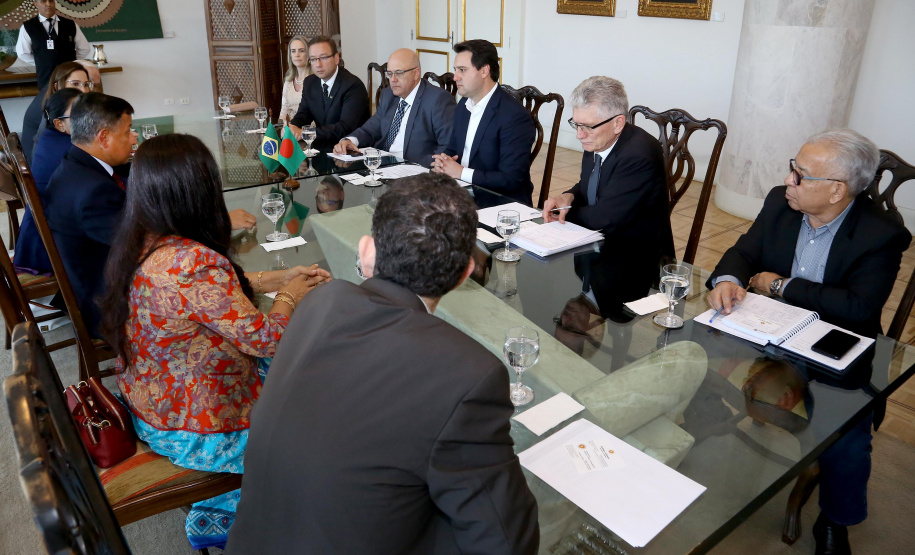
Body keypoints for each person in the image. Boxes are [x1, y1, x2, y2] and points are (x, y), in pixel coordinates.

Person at [227, 173, 540, 554]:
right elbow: (507, 541)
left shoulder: (318, 303)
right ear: (463, 276)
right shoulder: (471, 374)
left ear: (366, 251)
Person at [100, 134, 330, 551]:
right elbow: (267, 339)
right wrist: (291, 295)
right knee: (315, 394)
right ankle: (237, 511)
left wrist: (273, 279)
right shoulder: (194, 262)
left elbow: (203, 303)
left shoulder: (143, 238)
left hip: (152, 401)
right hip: (196, 430)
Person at [706, 129, 911, 555]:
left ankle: (835, 521)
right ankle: (702, 425)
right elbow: (745, 251)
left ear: (836, 190)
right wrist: (727, 277)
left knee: (848, 438)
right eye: (792, 169)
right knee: (688, 348)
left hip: (837, 352)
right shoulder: (780, 205)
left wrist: (781, 286)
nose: (789, 182)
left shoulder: (882, 233)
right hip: (770, 332)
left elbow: (857, 308)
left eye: (801, 175)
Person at [542, 76, 674, 267]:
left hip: (634, 262)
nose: (579, 134)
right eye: (576, 124)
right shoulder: (598, 139)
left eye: (587, 126)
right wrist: (568, 196)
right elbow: (592, 184)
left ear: (618, 123)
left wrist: (563, 212)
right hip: (596, 250)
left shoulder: (639, 154)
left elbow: (604, 219)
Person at [431, 39, 535, 205]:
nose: (455, 77)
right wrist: (443, 162)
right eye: (455, 70)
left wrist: (460, 172)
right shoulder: (464, 105)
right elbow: (453, 148)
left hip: (498, 202)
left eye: (462, 70)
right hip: (460, 194)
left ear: (484, 71)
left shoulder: (514, 116)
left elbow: (510, 179)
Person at [334, 48, 455, 167]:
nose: (393, 79)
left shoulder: (438, 99)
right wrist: (349, 141)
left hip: (416, 171)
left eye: (399, 73)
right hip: (383, 166)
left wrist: (420, 167)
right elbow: (370, 130)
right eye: (390, 73)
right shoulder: (389, 95)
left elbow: (448, 146)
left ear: (416, 73)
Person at [14, 87, 81, 273]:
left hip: (41, 235)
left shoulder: (52, 138)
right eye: (78, 115)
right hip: (48, 247)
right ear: (59, 123)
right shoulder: (69, 148)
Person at [287, 35, 370, 150]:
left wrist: (305, 133)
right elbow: (303, 114)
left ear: (336, 58)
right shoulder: (310, 82)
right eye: (313, 59)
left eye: (323, 58)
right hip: (321, 148)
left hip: (350, 151)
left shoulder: (353, 86)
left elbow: (345, 128)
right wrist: (292, 127)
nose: (318, 64)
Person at [21, 60, 91, 163]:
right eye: (75, 84)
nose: (84, 90)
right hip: (35, 163)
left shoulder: (55, 99)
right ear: (56, 86)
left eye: (86, 85)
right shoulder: (53, 108)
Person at [15, 0, 91, 90]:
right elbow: (23, 53)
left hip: (70, 76)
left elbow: (84, 48)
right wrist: (42, 62)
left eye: (51, 1)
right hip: (46, 77)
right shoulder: (28, 26)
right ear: (35, 4)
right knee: (49, 102)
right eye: (43, 1)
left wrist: (71, 62)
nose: (48, 4)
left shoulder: (70, 24)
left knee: (71, 101)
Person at [279, 35, 309, 124]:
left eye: (301, 51)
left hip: (309, 131)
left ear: (308, 53)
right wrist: (283, 128)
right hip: (289, 130)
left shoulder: (315, 80)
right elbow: (283, 111)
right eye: (293, 51)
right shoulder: (288, 81)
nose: (297, 55)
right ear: (290, 56)